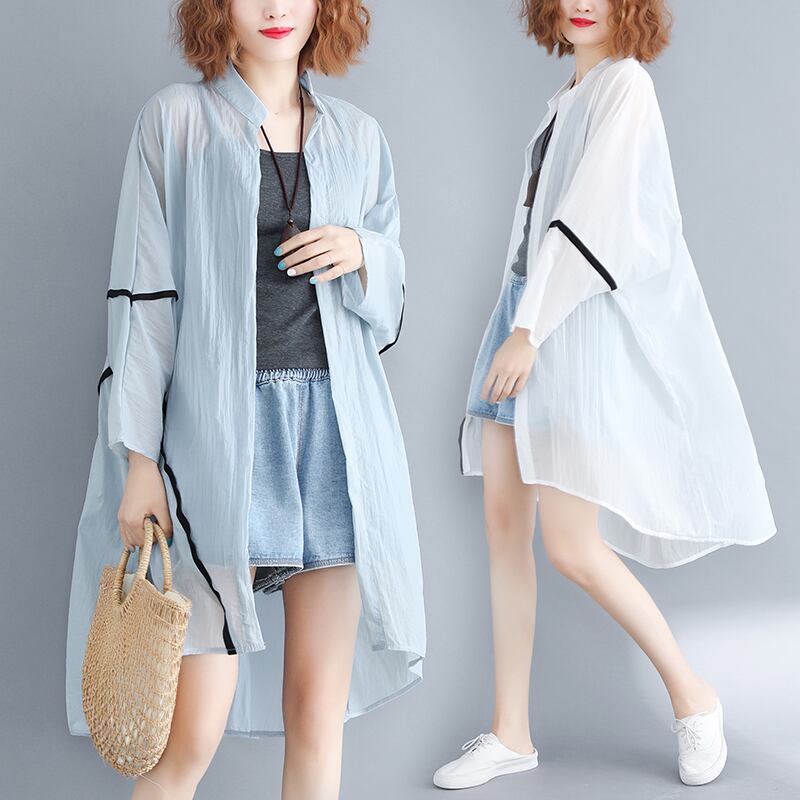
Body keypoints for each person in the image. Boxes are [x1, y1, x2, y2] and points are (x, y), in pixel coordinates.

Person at [65, 2, 425, 798]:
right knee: (188, 737)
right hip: (220, 442)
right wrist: (139, 459)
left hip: (335, 438)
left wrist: (363, 251)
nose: (274, 8)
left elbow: (387, 317)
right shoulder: (177, 123)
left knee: (317, 716)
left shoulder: (358, 137)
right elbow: (143, 304)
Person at [437, 0, 776, 790]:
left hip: (560, 334)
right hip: (519, 317)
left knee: (570, 545)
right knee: (503, 529)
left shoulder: (626, 86)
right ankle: (511, 733)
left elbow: (600, 219)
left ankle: (693, 695)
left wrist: (532, 330)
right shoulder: (565, 98)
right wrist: (517, 323)